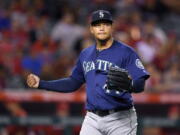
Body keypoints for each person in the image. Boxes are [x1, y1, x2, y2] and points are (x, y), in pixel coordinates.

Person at [27, 10, 150, 135]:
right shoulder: (85, 54)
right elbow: (73, 82)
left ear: (112, 27)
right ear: (91, 29)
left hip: (120, 118)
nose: (101, 28)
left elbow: (140, 83)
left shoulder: (126, 52)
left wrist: (131, 85)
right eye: (97, 25)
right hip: (92, 118)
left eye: (105, 24)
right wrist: (41, 84)